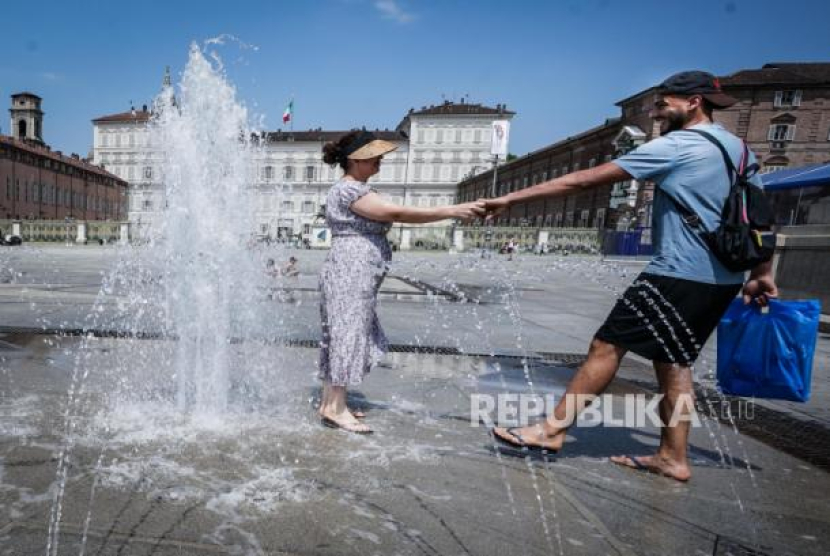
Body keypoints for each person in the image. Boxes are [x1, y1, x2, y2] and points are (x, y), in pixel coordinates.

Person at [486, 71, 778, 482]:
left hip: (677, 273)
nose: (657, 112)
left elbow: (584, 178)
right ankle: (673, 457)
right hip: (723, 278)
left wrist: (510, 197)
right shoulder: (740, 150)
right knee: (673, 364)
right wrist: (761, 271)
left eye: (663, 104)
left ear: (693, 102)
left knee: (606, 346)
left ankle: (552, 430)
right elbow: (762, 215)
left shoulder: (677, 146)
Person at [318, 130, 486, 433]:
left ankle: (331, 402)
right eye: (375, 157)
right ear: (358, 159)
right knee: (347, 332)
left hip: (353, 266)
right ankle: (335, 407)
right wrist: (452, 210)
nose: (380, 161)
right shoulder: (349, 190)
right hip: (352, 268)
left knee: (345, 330)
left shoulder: (354, 187)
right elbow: (394, 212)